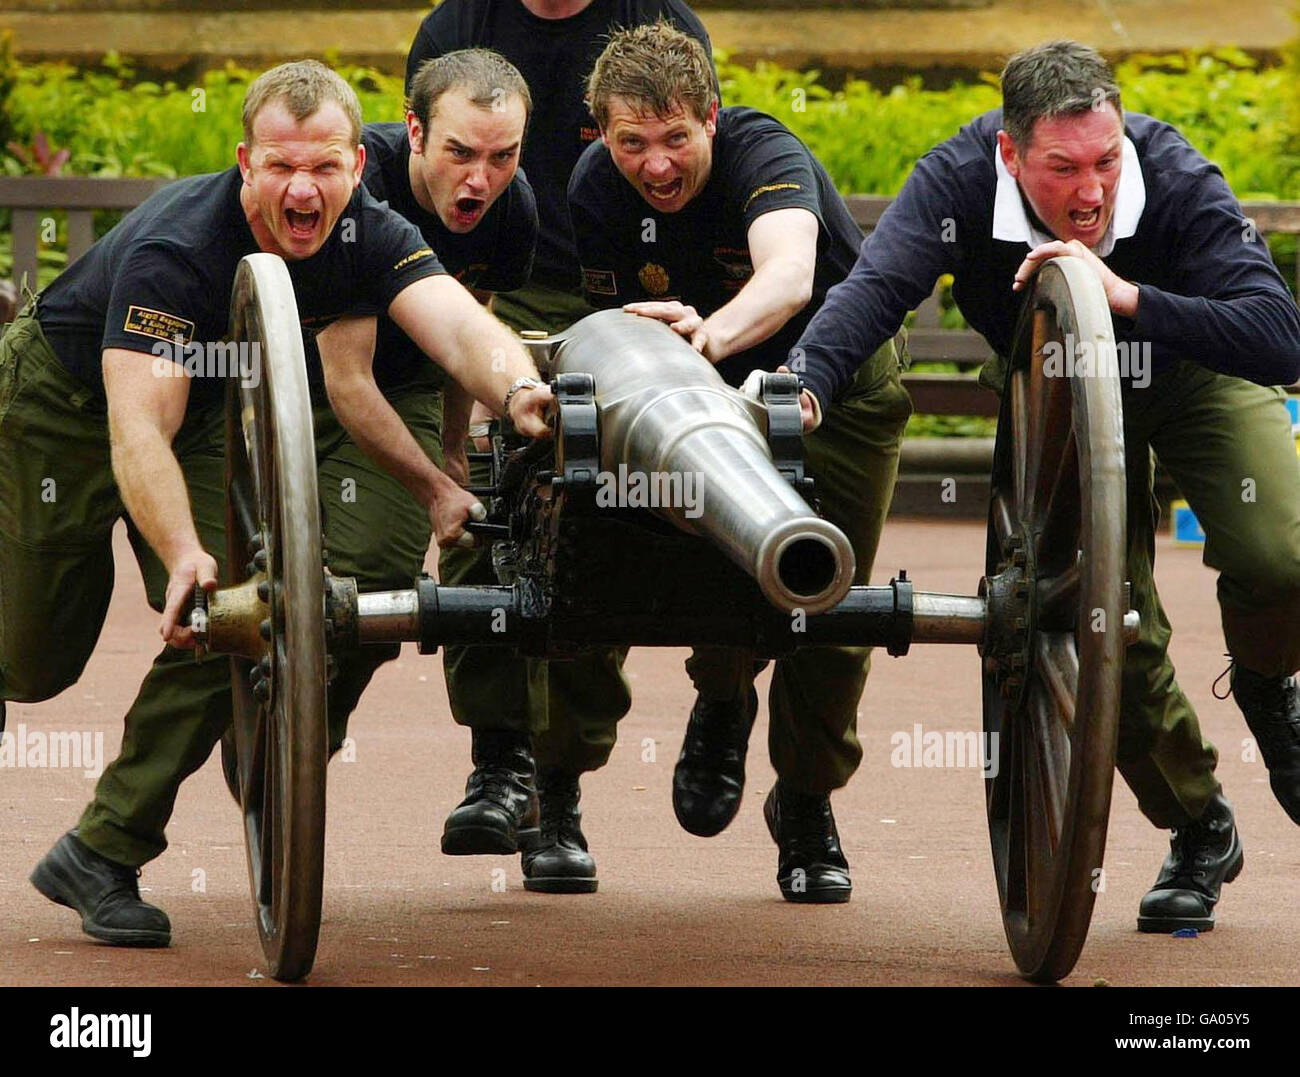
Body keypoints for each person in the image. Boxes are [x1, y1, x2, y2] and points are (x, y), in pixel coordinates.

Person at [5, 59, 551, 947]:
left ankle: (102, 848)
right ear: (245, 164)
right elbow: (139, 429)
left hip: (212, 405)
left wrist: (521, 389)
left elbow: (456, 322)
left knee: (237, 609)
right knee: (32, 663)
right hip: (60, 408)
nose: (305, 188)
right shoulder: (178, 250)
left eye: (326, 167)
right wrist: (181, 546)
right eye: (283, 167)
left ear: (357, 167)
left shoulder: (367, 233)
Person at [792, 39, 1300, 932]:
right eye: (1062, 168)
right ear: (1009, 152)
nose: (1092, 190)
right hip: (1059, 385)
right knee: (1099, 621)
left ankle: (1265, 680)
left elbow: (1279, 335)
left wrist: (1131, 296)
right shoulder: (953, 180)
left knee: (1281, 555)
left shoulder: (1175, 175)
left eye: (1106, 160)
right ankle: (1198, 824)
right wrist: (804, 383)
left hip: (1191, 372)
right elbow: (876, 289)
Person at [565, 21, 911, 901]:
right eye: (630, 141)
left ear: (712, 118)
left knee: (824, 592)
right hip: (698, 402)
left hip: (836, 389)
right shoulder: (593, 192)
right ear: (600, 133)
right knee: (709, 557)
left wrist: (711, 335)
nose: (655, 165)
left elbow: (791, 275)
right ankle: (722, 693)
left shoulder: (767, 152)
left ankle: (804, 802)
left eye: (676, 137)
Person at [405, 0, 713, 892]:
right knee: (483, 510)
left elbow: (686, 165)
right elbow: (439, 179)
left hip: (630, 296)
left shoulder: (660, 19)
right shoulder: (456, 21)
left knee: (607, 516)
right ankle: (498, 760)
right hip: (499, 289)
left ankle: (561, 791)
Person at [320, 48, 547, 854]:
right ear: (414, 132)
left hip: (410, 381)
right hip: (317, 370)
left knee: (385, 563)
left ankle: (323, 721)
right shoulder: (360, 184)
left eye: (502, 156)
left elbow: (468, 326)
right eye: (459, 153)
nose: (479, 180)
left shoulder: (512, 208)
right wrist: (428, 485)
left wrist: (456, 447)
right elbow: (345, 379)